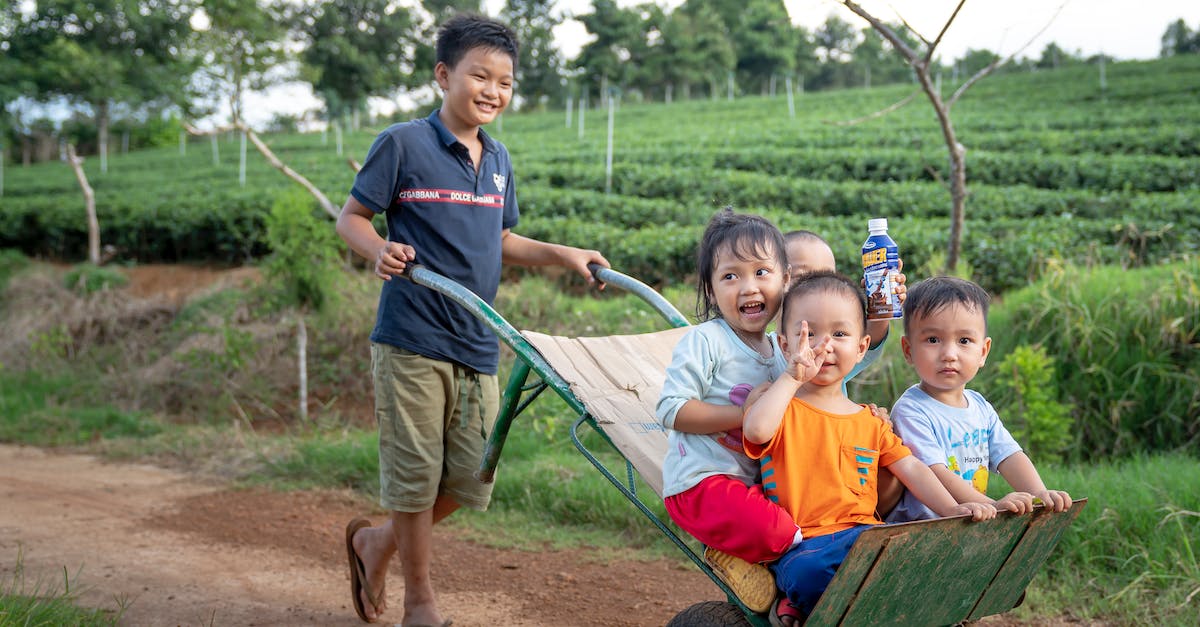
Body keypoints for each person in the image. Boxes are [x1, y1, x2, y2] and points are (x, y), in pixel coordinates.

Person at [335, 13, 609, 626]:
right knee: (413, 479)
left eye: (505, 82)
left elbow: (501, 239)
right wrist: (378, 248)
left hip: (477, 340)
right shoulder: (402, 143)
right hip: (411, 337)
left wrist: (562, 255)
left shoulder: (500, 159)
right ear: (443, 75)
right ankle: (420, 603)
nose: (492, 91)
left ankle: (376, 543)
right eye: (478, 75)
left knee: (469, 480)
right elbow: (350, 218)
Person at [742, 271, 998, 624]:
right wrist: (790, 377)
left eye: (840, 334)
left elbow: (913, 470)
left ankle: (821, 607)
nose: (823, 345)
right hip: (805, 545)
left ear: (862, 347)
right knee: (809, 574)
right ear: (785, 346)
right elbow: (755, 432)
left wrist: (955, 508)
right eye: (808, 333)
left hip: (865, 535)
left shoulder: (871, 421)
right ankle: (802, 602)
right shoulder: (780, 406)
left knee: (902, 557)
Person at [656, 208, 800, 613]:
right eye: (730, 276)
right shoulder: (706, 341)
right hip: (702, 484)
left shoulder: (782, 352)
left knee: (815, 518)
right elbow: (671, 409)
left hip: (755, 486)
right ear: (710, 289)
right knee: (783, 533)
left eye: (761, 272)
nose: (747, 287)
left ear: (785, 279)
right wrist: (743, 415)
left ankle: (786, 598)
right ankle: (728, 555)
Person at [885, 276, 1073, 523]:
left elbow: (1009, 455)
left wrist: (1038, 493)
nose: (949, 354)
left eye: (964, 341)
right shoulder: (911, 410)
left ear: (983, 352)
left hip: (966, 521)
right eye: (933, 340)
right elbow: (935, 471)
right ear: (909, 350)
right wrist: (993, 505)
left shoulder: (980, 406)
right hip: (921, 527)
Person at [782, 229, 905, 515]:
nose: (819, 287)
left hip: (841, 479)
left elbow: (866, 337)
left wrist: (881, 300)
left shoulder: (830, 353)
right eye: (803, 278)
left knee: (895, 459)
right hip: (795, 488)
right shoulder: (771, 354)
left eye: (828, 276)